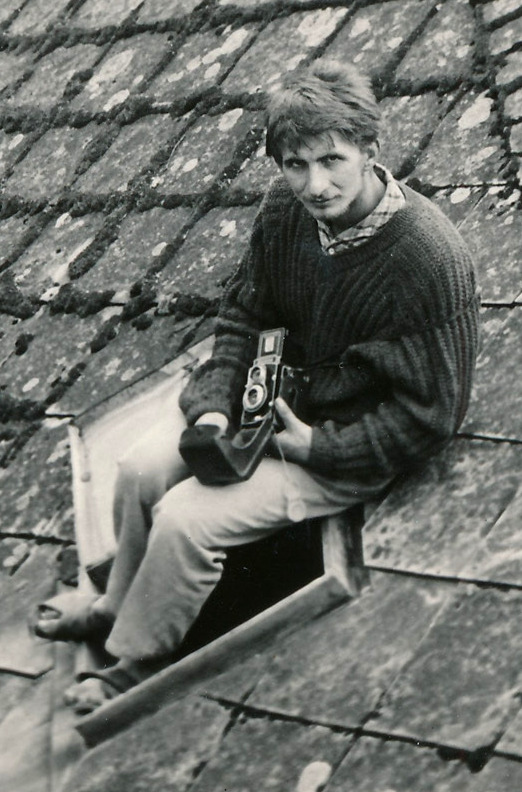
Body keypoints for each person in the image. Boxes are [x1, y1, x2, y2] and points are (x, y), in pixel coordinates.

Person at [34, 59, 480, 713]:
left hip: (343, 443)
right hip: (266, 405)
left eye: (332, 160)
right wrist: (213, 409)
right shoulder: (284, 211)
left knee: (187, 521)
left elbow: (431, 416)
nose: (315, 185)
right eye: (296, 165)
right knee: (138, 470)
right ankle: (112, 606)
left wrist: (317, 449)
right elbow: (245, 313)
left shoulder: (428, 260)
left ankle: (136, 663)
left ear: (369, 149)